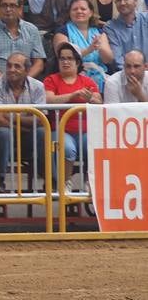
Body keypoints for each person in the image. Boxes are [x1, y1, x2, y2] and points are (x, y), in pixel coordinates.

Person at [0, 53, 47, 193]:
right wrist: (24, 123)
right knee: (3, 132)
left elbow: (40, 120)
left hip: (27, 138)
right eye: (9, 66)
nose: (11, 69)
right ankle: (0, 181)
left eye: (17, 66)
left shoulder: (37, 86)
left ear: (26, 70)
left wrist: (11, 116)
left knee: (43, 133)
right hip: (1, 138)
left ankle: (50, 181)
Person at [42, 44, 100, 192]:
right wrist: (72, 96)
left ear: (78, 62)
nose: (65, 62)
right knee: (68, 149)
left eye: (69, 58)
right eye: (62, 58)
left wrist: (91, 99)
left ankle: (91, 182)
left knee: (95, 146)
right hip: (61, 129)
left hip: (85, 130)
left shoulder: (87, 81)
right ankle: (65, 182)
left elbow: (99, 100)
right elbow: (49, 100)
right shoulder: (51, 80)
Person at [0, 0, 46, 82]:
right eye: (4, 5)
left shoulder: (32, 30)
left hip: (26, 83)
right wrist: (6, 83)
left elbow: (39, 64)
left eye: (12, 6)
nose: (8, 9)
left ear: (20, 9)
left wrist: (24, 82)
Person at [53, 0, 111, 92]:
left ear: (91, 12)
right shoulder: (62, 32)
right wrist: (89, 49)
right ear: (70, 13)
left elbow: (108, 60)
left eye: (83, 9)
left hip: (100, 77)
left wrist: (101, 47)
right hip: (73, 78)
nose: (79, 11)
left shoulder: (100, 32)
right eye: (75, 9)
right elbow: (64, 57)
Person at [103, 0, 148, 68]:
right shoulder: (110, 28)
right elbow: (118, 60)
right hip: (126, 75)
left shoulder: (146, 19)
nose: (122, 3)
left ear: (135, 1)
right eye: (119, 0)